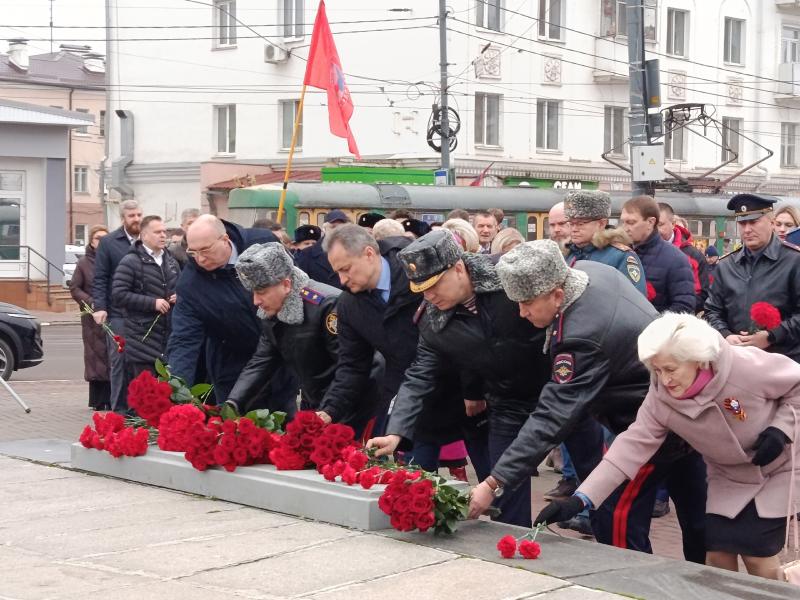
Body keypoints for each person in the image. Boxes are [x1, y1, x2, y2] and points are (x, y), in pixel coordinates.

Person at [473, 241, 706, 561]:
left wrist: (493, 482)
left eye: (527, 302)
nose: (521, 312)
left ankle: (634, 588)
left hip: (650, 429)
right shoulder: (589, 272)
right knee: (698, 517)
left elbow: (551, 417)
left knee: (617, 522)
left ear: (557, 295)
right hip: (684, 413)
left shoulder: (581, 336)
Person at [537, 313, 800, 581]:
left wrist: (782, 428)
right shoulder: (661, 398)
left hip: (778, 467)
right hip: (729, 475)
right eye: (656, 370)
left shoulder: (744, 365)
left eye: (671, 369)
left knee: (757, 555)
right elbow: (629, 447)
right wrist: (581, 499)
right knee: (716, 555)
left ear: (698, 360)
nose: (664, 380)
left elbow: (797, 384)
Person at [367, 230, 551, 527]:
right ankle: (513, 551)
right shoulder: (432, 319)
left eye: (434, 285)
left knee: (591, 471)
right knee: (504, 482)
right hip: (505, 402)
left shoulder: (509, 281)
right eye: (421, 289)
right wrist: (396, 432)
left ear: (459, 268)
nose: (428, 296)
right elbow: (418, 375)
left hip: (556, 390)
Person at [316, 226, 481, 476]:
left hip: (465, 392)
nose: (341, 280)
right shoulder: (349, 304)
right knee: (414, 483)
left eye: (346, 269)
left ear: (369, 254)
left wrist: (474, 386)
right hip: (411, 398)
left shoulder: (414, 271)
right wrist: (329, 410)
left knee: (495, 480)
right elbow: (352, 366)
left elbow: (468, 328)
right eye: (337, 271)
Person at [225, 243, 373, 429]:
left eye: (261, 292)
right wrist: (234, 402)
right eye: (253, 293)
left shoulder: (326, 305)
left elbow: (352, 367)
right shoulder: (272, 311)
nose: (256, 301)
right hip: (316, 400)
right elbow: (262, 360)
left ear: (286, 285)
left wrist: (331, 410)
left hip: (353, 401)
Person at [166, 215, 279, 403]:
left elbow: (294, 288)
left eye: (205, 250)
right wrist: (176, 391)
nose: (200, 258)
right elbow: (184, 339)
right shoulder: (190, 284)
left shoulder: (263, 244)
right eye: (193, 252)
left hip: (278, 359)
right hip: (231, 366)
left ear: (225, 240)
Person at [704, 193, 800, 363]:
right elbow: (712, 310)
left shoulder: (794, 261)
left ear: (771, 223)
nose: (747, 229)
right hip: (737, 361)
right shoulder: (726, 265)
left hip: (783, 362)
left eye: (754, 222)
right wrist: (725, 335)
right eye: (742, 223)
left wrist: (771, 336)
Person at [112, 216, 181, 381]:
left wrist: (179, 296)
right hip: (142, 338)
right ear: (143, 236)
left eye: (165, 231)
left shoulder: (171, 261)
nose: (163, 235)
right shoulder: (130, 261)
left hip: (168, 337)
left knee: (168, 395)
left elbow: (182, 286)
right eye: (157, 232)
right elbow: (119, 294)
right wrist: (152, 303)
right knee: (146, 396)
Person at [92, 199, 143, 412]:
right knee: (120, 362)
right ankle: (120, 412)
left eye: (139, 215)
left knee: (142, 363)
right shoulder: (110, 242)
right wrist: (100, 307)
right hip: (117, 313)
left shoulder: (147, 240)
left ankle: (140, 411)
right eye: (132, 216)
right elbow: (101, 277)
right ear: (123, 218)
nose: (137, 219)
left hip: (145, 313)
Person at [620, 196, 695, 313]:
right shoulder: (619, 253)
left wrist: (654, 326)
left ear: (650, 222)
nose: (625, 228)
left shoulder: (676, 259)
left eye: (631, 222)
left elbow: (683, 307)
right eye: (623, 222)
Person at [564, 191, 646, 295]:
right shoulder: (567, 253)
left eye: (581, 223)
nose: (574, 229)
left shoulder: (621, 257)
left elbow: (635, 301)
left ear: (601, 223)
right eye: (571, 223)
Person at [70, 225, 111, 411]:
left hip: (111, 313)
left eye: (105, 238)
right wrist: (91, 302)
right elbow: (75, 288)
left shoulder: (113, 260)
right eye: (97, 239)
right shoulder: (84, 263)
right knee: (96, 356)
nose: (101, 242)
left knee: (112, 355)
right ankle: (97, 400)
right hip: (91, 316)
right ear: (91, 242)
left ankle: (112, 397)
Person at [658, 203, 710, 314]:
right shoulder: (639, 251)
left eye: (660, 224)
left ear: (672, 224)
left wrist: (678, 309)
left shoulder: (694, 256)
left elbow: (702, 294)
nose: (656, 230)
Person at [294, 210, 349, 289]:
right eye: (333, 227)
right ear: (324, 228)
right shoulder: (307, 255)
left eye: (342, 227)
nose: (337, 231)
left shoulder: (353, 253)